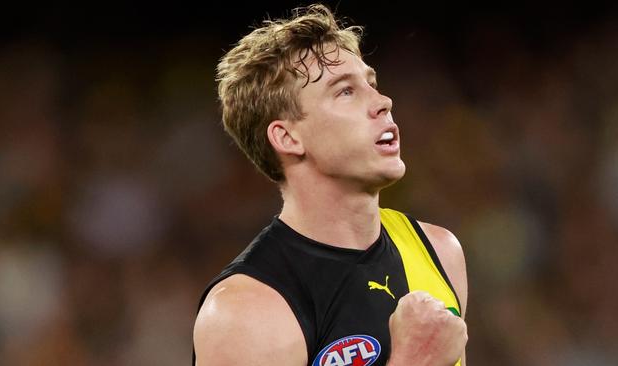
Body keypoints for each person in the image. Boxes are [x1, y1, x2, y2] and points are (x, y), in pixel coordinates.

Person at [193, 4, 468, 365]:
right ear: (288, 137)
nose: (383, 102)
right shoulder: (245, 311)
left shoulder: (440, 250)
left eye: (371, 84)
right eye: (345, 92)